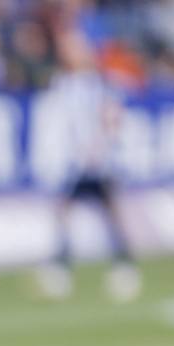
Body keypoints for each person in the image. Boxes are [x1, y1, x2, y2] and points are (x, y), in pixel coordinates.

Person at [35, 31, 141, 303]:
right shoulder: (61, 85)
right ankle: (61, 266)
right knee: (64, 212)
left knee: (111, 210)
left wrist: (102, 146)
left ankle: (124, 265)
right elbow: (56, 124)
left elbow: (112, 115)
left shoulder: (101, 83)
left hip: (100, 160)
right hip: (73, 162)